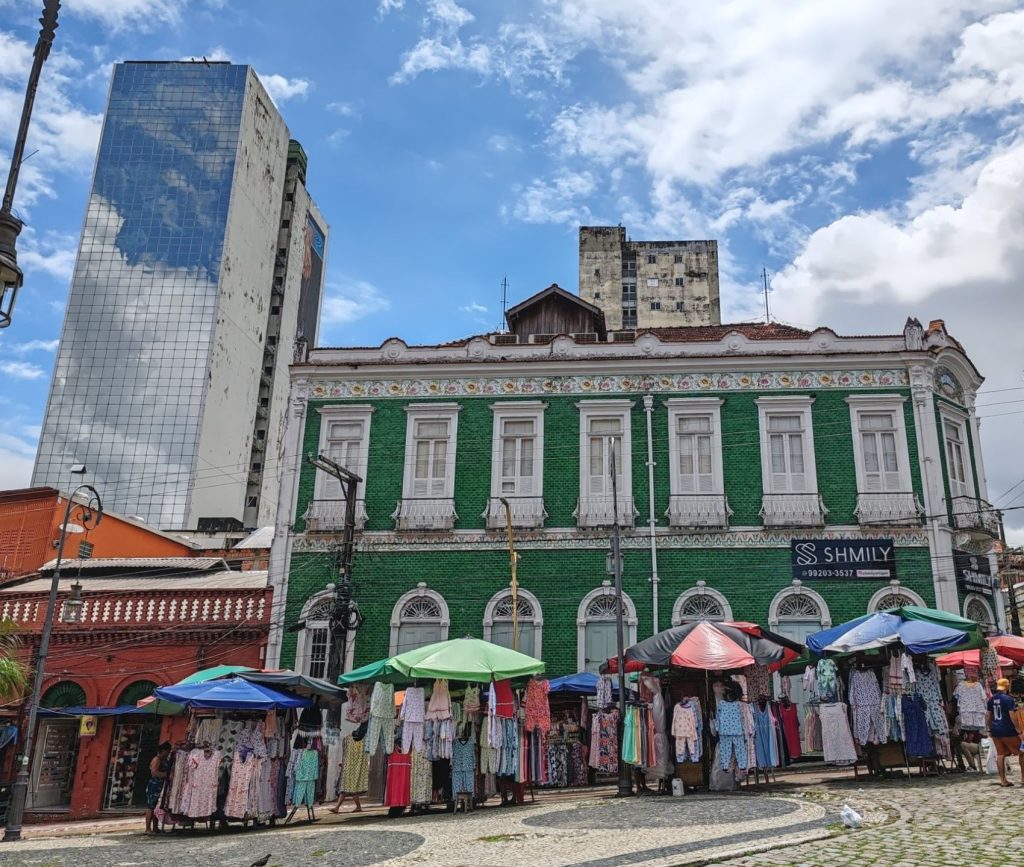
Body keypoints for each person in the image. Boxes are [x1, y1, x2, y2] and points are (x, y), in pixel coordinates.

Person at [986, 678, 1022, 788]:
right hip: (1008, 730)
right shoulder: (1008, 699)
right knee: (1022, 752)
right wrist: (1018, 729)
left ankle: (1003, 780)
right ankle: (1023, 778)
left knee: (1000, 754)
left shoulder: (991, 700)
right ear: (1007, 687)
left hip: (996, 730)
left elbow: (988, 716)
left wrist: (989, 728)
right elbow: (1012, 715)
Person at [145, 742, 172, 834]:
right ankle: (148, 828)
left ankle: (155, 828)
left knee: (156, 806)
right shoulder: (156, 759)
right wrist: (167, 775)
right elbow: (154, 772)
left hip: (160, 785)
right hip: (155, 785)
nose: (168, 753)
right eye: (167, 751)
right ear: (163, 750)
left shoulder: (163, 760)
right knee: (151, 806)